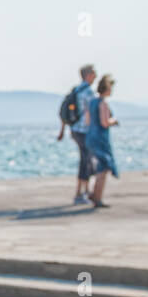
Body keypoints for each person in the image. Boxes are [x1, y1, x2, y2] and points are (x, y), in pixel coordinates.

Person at [56, 64, 97, 204]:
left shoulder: (76, 90)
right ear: (88, 75)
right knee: (86, 161)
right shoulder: (88, 92)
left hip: (75, 130)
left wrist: (62, 130)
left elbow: (64, 112)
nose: (96, 76)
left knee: (86, 160)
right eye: (93, 73)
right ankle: (81, 193)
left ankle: (84, 191)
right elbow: (91, 114)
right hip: (84, 131)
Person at [86, 74, 119, 208]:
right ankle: (97, 197)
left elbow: (87, 121)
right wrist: (114, 121)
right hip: (100, 138)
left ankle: (95, 194)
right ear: (107, 89)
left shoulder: (92, 102)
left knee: (99, 166)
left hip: (90, 136)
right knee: (103, 168)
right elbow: (104, 123)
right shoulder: (102, 103)